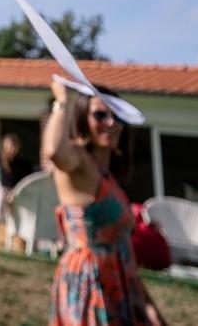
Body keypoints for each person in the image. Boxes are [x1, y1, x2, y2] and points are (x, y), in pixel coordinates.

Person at [44, 80, 166, 326]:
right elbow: (55, 151)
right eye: (100, 115)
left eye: (116, 116)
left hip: (120, 283)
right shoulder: (78, 162)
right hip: (90, 284)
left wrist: (147, 304)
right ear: (82, 119)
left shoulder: (108, 176)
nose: (111, 123)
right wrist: (62, 101)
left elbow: (123, 250)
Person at [0, 132, 34, 245]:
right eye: (7, 146)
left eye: (12, 146)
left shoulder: (23, 163)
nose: (10, 149)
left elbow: (27, 176)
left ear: (18, 147)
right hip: (3, 190)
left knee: (15, 217)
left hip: (16, 192)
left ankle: (16, 243)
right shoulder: (2, 159)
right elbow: (7, 176)